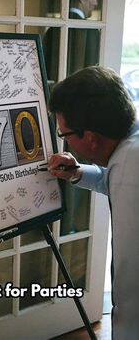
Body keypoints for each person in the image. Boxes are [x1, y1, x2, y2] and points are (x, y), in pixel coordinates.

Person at [48, 66, 139, 340]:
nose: (64, 141)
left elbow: (131, 281)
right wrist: (77, 172)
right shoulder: (128, 148)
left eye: (64, 135)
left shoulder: (131, 169)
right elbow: (115, 181)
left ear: (90, 138)